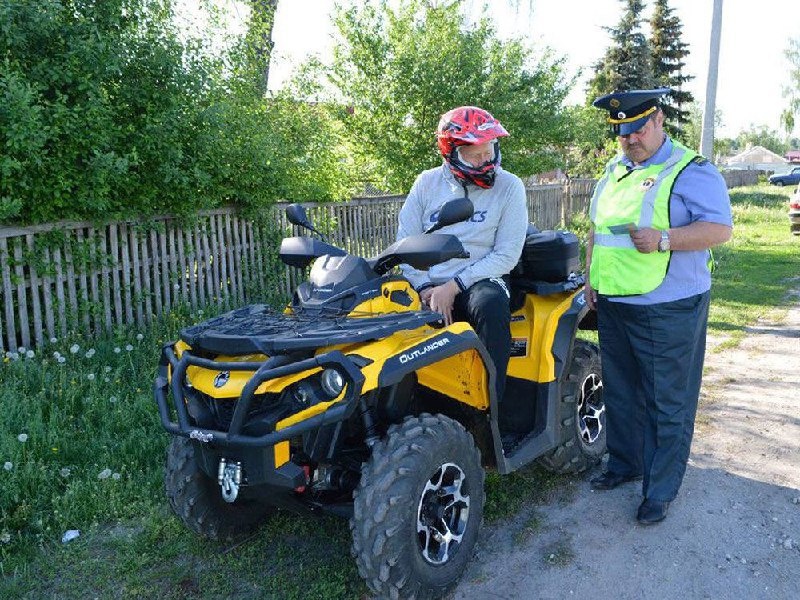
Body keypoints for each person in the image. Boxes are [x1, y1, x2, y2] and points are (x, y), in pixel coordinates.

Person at [585, 88, 733, 525]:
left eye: (638, 129)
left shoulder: (691, 170)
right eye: (621, 133)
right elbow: (597, 230)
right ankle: (625, 464)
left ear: (659, 120)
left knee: (667, 402)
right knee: (621, 391)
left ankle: (660, 490)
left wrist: (664, 239)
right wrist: (591, 279)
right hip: (615, 301)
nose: (630, 139)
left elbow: (719, 229)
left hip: (668, 307)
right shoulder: (614, 171)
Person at [396, 106, 528, 403]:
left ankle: (491, 406)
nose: (486, 162)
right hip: (428, 281)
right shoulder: (426, 183)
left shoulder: (509, 186)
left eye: (489, 152)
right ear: (451, 153)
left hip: (483, 276)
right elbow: (405, 243)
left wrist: (453, 286)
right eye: (475, 155)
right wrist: (424, 287)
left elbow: (507, 254)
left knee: (489, 305)